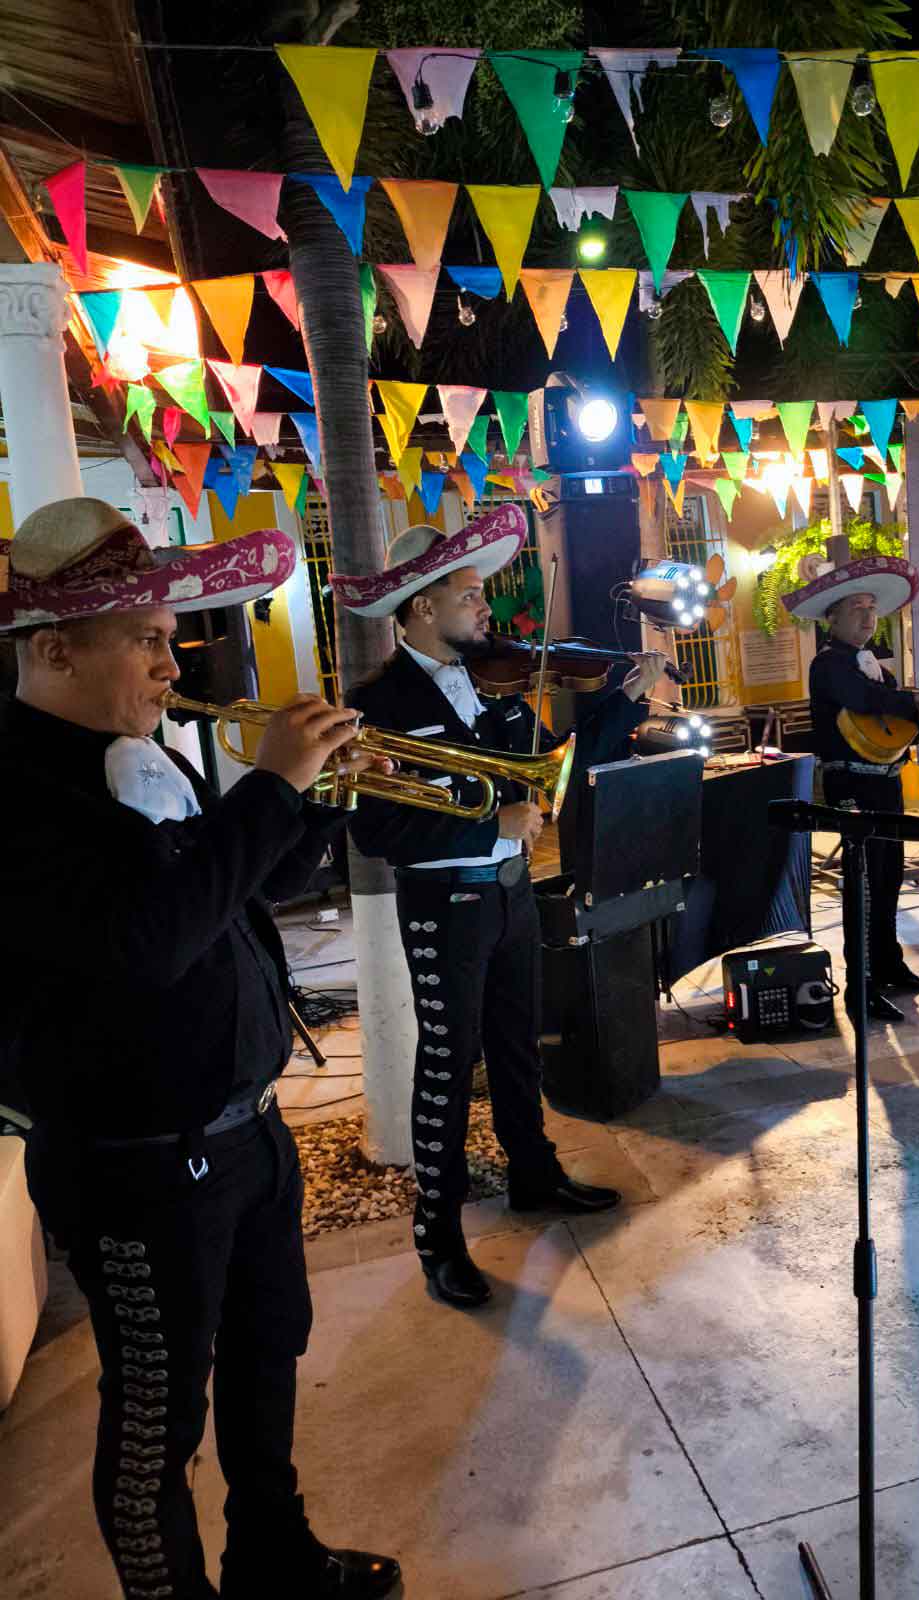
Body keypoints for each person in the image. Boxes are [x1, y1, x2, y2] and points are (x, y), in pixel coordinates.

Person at [0, 499, 401, 1599]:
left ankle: (272, 1558)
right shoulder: (19, 792)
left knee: (267, 1355)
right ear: (52, 650)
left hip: (247, 1136)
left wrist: (314, 807)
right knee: (155, 1422)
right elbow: (144, 945)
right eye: (144, 638)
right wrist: (268, 786)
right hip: (135, 1164)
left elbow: (232, 895)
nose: (170, 664)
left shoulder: (142, 756)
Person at [331, 504, 664, 1309]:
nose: (486, 609)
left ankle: (532, 1173)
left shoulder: (497, 688)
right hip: (442, 899)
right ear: (420, 609)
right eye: (470, 596)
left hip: (509, 893)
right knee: (447, 1066)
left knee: (519, 1046)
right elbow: (376, 828)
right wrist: (489, 819)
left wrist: (624, 701)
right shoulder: (375, 700)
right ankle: (436, 1237)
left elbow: (550, 767)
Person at [786, 551, 919, 1025]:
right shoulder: (829, 664)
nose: (868, 618)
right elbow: (868, 702)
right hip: (851, 784)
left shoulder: (879, 667)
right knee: (864, 882)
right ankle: (861, 985)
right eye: (857, 609)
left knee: (890, 874)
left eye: (872, 608)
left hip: (886, 784)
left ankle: (889, 965)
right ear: (833, 618)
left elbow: (895, 723)